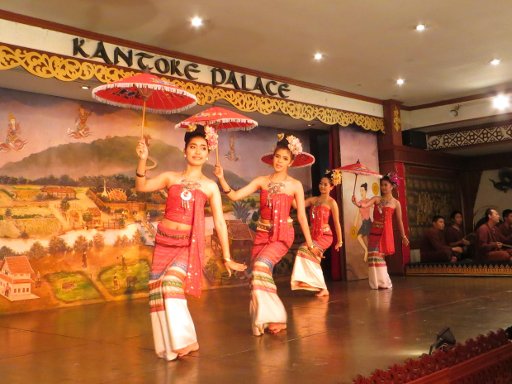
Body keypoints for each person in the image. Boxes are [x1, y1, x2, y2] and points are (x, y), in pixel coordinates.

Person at [136, 124, 246, 361]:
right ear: (184, 151)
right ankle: (174, 343)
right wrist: (143, 160)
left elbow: (219, 223)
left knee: (170, 285)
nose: (197, 152)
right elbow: (141, 186)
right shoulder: (170, 177)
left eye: (203, 148)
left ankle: (184, 340)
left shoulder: (209, 186)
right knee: (158, 292)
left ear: (208, 153)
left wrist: (226, 257)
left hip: (187, 245)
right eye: (193, 147)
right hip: (164, 242)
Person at [214, 133, 320, 336]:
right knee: (257, 276)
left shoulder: (295, 185)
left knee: (261, 267)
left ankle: (276, 316)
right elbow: (235, 196)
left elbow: (302, 217)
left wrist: (310, 243)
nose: (279, 161)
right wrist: (221, 178)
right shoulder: (261, 181)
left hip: (282, 235)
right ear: (273, 157)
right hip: (262, 235)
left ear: (291, 161)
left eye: (285, 158)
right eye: (277, 156)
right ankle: (262, 319)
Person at [290, 169, 343, 297]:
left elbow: (336, 223)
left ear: (332, 186)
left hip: (325, 236)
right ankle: (321, 288)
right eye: (320, 183)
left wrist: (339, 241)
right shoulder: (313, 200)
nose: (322, 186)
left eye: (325, 184)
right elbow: (297, 206)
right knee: (312, 258)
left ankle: (319, 286)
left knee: (304, 249)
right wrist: (290, 193)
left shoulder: (332, 203)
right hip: (313, 235)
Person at [352, 172, 409, 289]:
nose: (383, 187)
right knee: (372, 256)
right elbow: (365, 205)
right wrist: (356, 203)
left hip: (386, 233)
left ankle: (384, 283)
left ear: (392, 186)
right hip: (374, 232)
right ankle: (375, 284)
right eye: (381, 185)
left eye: (385, 185)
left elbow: (400, 221)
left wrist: (403, 236)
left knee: (379, 256)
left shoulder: (396, 203)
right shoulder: (377, 199)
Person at [351, 182, 372, 261]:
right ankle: (366, 250)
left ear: (366, 191)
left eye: (362, 190)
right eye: (360, 191)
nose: (361, 192)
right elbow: (357, 213)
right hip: (364, 223)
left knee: (369, 239)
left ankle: (369, 253)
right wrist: (354, 225)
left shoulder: (369, 200)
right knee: (359, 236)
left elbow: (373, 205)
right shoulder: (359, 202)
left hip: (368, 222)